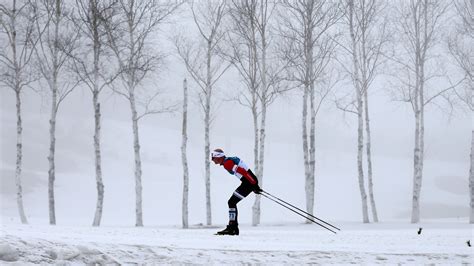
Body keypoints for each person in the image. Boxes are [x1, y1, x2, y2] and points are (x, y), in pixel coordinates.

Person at [211, 148, 262, 235]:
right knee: (232, 202)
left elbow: (243, 172)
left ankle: (232, 228)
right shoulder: (228, 161)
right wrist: (254, 183)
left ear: (218, 157)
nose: (212, 160)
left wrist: (253, 184)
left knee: (232, 202)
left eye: (213, 158)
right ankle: (233, 227)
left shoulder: (227, 163)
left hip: (248, 182)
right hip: (248, 182)